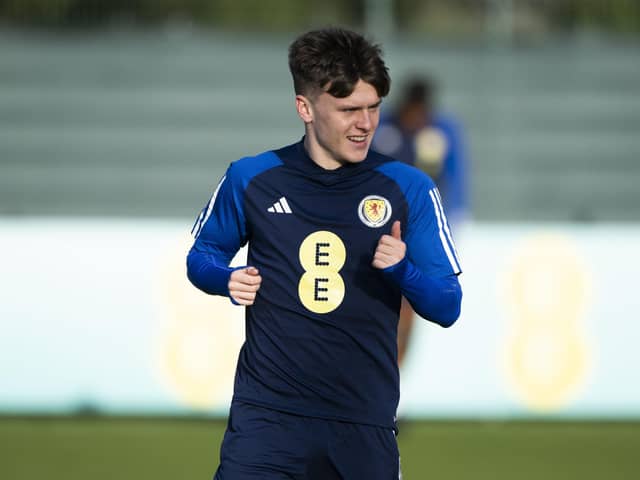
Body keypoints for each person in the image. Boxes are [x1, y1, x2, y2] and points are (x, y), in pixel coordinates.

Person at [187, 27, 462, 480]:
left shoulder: (409, 188)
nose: (366, 123)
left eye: (373, 107)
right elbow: (202, 255)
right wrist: (224, 278)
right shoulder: (252, 178)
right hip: (266, 421)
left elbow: (448, 305)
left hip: (363, 425)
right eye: (349, 109)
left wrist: (403, 270)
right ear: (306, 108)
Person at [372, 76, 470, 366]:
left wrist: (454, 225)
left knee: (406, 312)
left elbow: (455, 180)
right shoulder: (385, 129)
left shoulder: (441, 133)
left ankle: (394, 390)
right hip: (380, 231)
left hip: (418, 233)